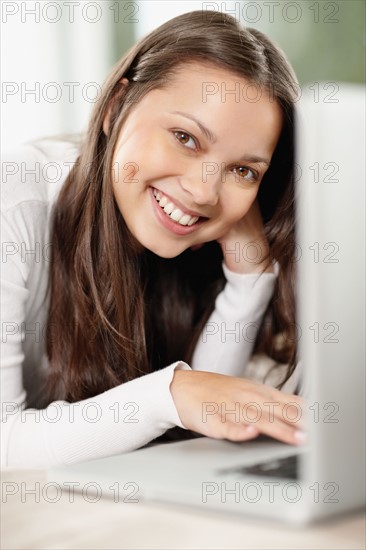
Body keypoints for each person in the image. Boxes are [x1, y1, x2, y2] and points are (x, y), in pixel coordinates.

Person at [1, 10, 305, 469]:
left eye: (243, 170)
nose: (204, 191)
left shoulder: (187, 248)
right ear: (115, 108)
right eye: (185, 137)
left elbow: (203, 415)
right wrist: (170, 393)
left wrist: (250, 276)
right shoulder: (13, 202)